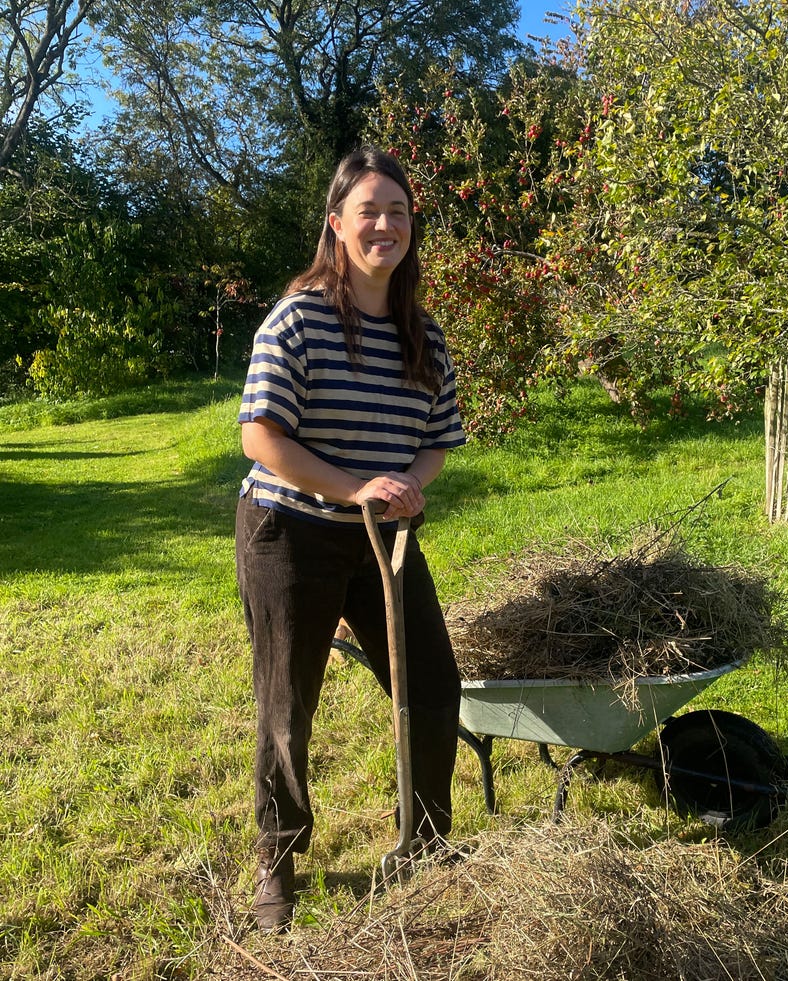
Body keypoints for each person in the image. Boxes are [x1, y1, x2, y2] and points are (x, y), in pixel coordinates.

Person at [235, 146, 467, 932]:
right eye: (369, 209)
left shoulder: (422, 336)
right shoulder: (299, 318)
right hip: (289, 533)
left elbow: (437, 438)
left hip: (384, 539)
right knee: (287, 705)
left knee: (433, 685)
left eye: (399, 211)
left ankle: (428, 838)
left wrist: (407, 482)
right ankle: (278, 856)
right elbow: (261, 436)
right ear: (336, 224)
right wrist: (352, 486)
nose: (385, 224)